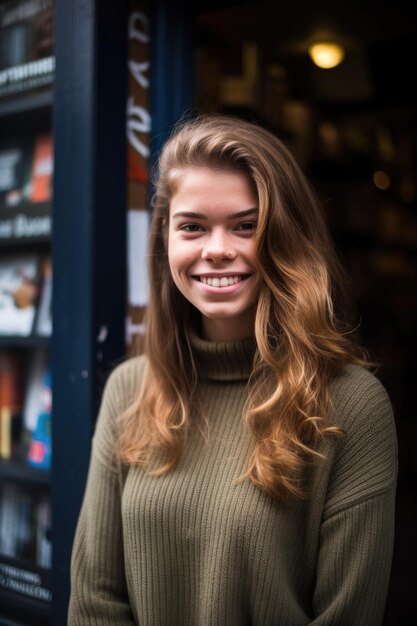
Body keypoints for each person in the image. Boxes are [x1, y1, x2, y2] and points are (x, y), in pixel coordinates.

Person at [68, 113, 398, 626]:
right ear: (167, 242)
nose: (217, 250)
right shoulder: (129, 390)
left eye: (246, 226)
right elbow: (94, 602)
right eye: (192, 227)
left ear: (285, 239)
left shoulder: (351, 404)